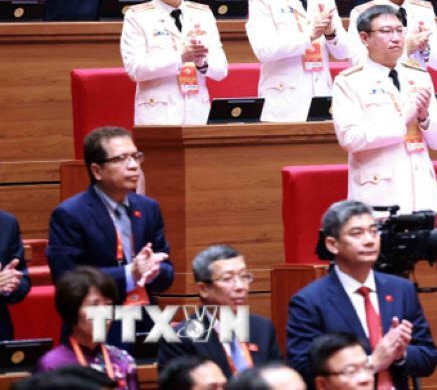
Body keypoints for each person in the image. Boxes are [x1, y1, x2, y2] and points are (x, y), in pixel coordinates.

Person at [285, 201, 437, 389]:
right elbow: (302, 369)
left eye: (374, 232)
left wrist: (400, 355)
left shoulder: (401, 289)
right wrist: (372, 362)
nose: (369, 240)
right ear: (332, 244)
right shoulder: (309, 301)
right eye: (357, 233)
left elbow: (428, 356)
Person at [333, 4, 437, 212]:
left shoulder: (419, 76)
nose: (395, 38)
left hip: (423, 193)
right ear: (364, 38)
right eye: (386, 31)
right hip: (379, 195)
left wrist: (424, 118)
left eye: (399, 30)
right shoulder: (350, 82)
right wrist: (404, 119)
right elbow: (350, 139)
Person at [47, 127, 174, 306]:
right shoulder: (70, 214)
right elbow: (67, 280)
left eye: (136, 156)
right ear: (97, 171)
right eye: (121, 159)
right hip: (96, 317)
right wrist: (130, 273)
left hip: (144, 315)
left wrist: (154, 270)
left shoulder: (148, 208)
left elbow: (167, 270)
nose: (133, 165)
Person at [245, 0, 348, 122]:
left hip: (323, 98)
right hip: (284, 102)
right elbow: (264, 50)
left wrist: (331, 33)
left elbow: (343, 53)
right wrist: (309, 35)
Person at [121, 0, 228, 126]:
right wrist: (180, 58)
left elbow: (221, 71)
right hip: (158, 114)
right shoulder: (138, 16)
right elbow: (135, 69)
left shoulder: (202, 13)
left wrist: (202, 63)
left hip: (198, 112)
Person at [157, 245, 281, 378]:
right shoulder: (181, 339)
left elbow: (280, 380)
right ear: (203, 289)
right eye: (227, 279)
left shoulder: (262, 328)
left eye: (244, 276)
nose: (240, 287)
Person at [34, 268, 139, 390]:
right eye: (94, 305)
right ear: (73, 309)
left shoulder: (123, 360)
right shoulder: (52, 365)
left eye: (108, 305)